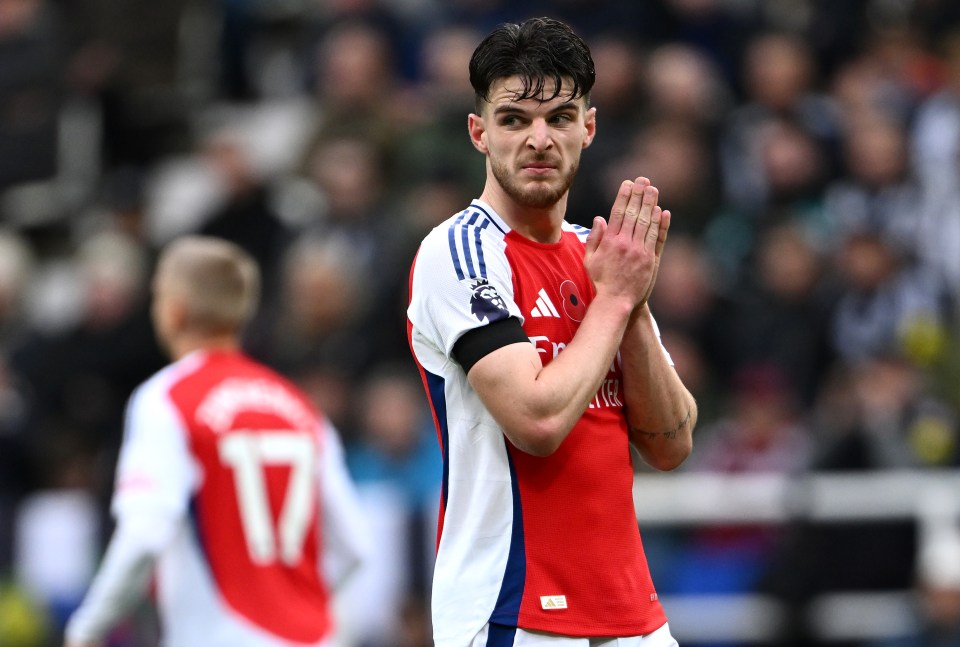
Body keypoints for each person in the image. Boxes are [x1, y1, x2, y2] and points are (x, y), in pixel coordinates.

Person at [406, 17, 698, 647]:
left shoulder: (596, 258)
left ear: (588, 129)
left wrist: (634, 307)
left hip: (632, 615)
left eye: (560, 118)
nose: (539, 138)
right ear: (479, 133)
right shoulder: (459, 252)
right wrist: (615, 299)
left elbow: (672, 444)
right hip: (515, 610)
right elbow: (536, 424)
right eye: (514, 120)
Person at [63, 236, 369, 647]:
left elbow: (144, 535)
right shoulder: (300, 408)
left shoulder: (168, 398)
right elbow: (355, 546)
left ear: (173, 309)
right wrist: (292, 603)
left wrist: (87, 628)